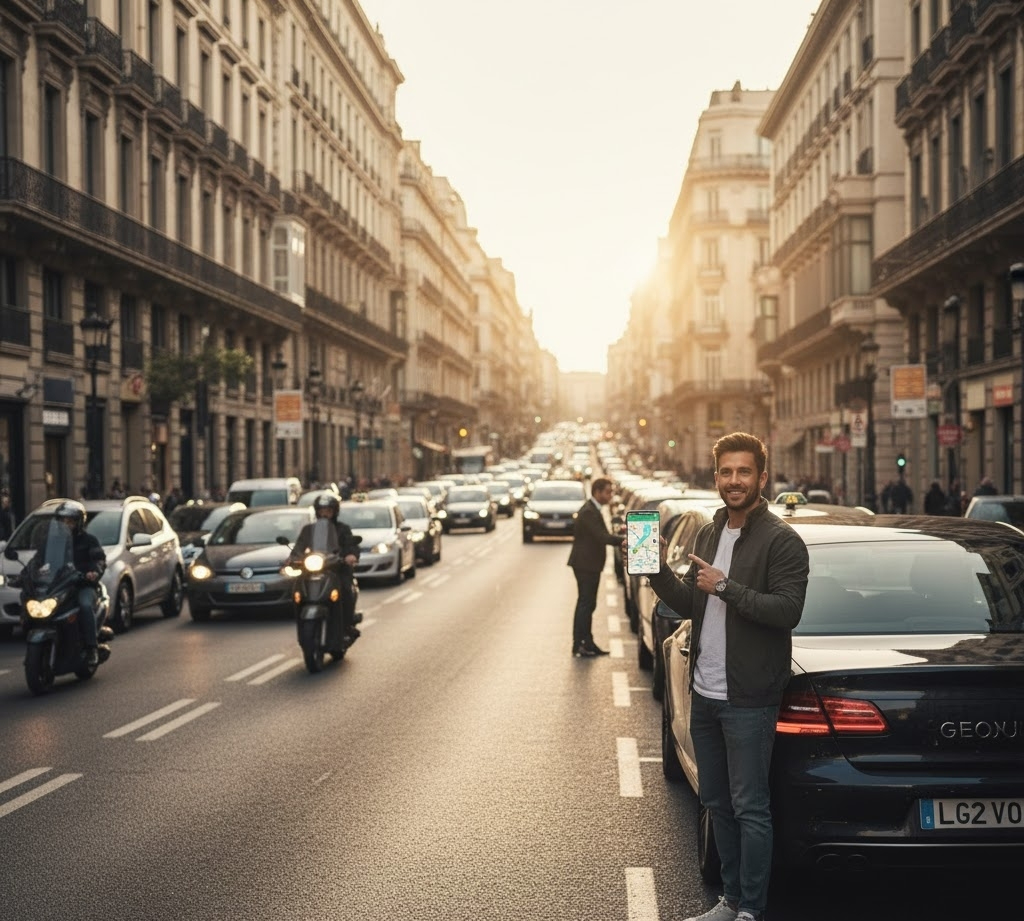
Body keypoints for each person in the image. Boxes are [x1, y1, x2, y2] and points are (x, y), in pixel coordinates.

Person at [645, 432, 809, 921]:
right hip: (705, 690)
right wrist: (653, 570)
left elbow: (787, 610)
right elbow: (693, 604)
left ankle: (751, 909)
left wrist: (727, 587)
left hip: (749, 697)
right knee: (716, 801)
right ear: (714, 477)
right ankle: (730, 900)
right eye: (726, 472)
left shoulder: (782, 541)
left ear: (762, 477)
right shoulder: (710, 533)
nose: (734, 481)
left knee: (750, 807)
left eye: (744, 472)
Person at [289, 493, 361, 641]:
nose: (324, 514)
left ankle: (347, 625)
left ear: (335, 512)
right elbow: (299, 547)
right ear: (316, 511)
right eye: (321, 510)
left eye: (328, 511)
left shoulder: (342, 529)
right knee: (297, 589)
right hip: (314, 568)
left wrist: (350, 556)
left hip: (336, 568)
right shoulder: (308, 530)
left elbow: (351, 545)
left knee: (346, 590)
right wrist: (293, 558)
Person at [567, 477, 623, 657]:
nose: (610, 495)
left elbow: (602, 535)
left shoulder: (593, 509)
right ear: (597, 492)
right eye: (608, 492)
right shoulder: (589, 512)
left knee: (588, 603)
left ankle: (586, 642)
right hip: (586, 564)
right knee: (585, 603)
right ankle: (580, 643)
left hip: (588, 564)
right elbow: (602, 537)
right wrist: (626, 541)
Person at [48, 500, 107, 666]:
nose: (66, 525)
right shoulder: (54, 542)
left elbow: (99, 560)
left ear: (79, 522)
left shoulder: (89, 540)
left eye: (70, 521)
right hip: (60, 586)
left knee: (85, 605)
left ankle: (91, 648)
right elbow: (40, 560)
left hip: (83, 585)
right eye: (63, 521)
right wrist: (29, 574)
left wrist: (94, 572)